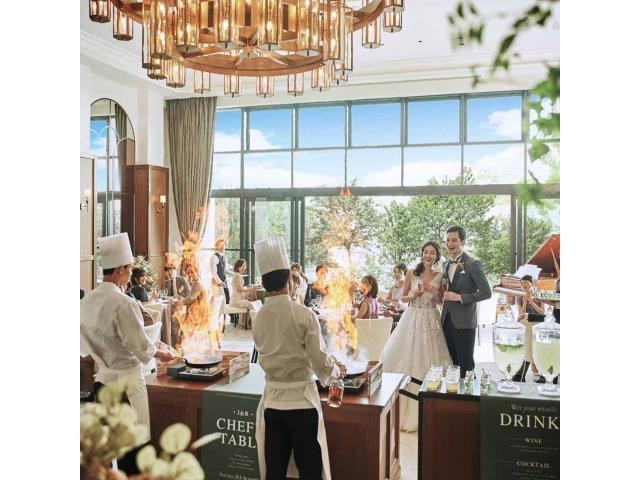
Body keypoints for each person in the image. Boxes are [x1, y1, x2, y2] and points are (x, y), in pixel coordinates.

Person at [252, 237, 346, 480]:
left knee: (275, 470)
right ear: (289, 280)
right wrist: (335, 371)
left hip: (272, 402)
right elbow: (318, 358)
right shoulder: (304, 315)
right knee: (309, 470)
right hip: (302, 402)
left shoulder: (258, 317)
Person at [80, 233, 174, 474]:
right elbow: (141, 348)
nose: (131, 273)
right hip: (127, 387)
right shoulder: (123, 303)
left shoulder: (86, 301)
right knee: (132, 454)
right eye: (130, 269)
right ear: (121, 269)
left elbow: (83, 348)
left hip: (102, 384)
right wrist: (162, 353)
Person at [380, 241, 452, 432]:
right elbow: (402, 298)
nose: (428, 255)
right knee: (405, 357)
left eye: (432, 253)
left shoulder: (440, 275)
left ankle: (431, 411)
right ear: (422, 254)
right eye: (426, 252)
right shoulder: (412, 272)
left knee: (431, 359)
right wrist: (415, 294)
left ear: (437, 256)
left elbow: (441, 300)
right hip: (411, 317)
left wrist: (434, 291)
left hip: (430, 319)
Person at [441, 226, 491, 378]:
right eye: (448, 240)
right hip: (446, 319)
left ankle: (470, 392)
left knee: (466, 364)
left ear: (462, 242)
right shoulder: (445, 264)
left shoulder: (473, 263)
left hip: (465, 321)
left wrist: (460, 297)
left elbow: (486, 292)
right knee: (453, 363)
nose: (450, 244)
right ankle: (455, 392)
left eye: (454, 240)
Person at [515, 275, 545, 382]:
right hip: (526, 325)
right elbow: (520, 314)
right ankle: (520, 375)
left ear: (532, 283)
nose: (524, 285)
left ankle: (539, 372)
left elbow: (543, 313)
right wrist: (525, 302)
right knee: (526, 348)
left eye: (526, 283)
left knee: (536, 349)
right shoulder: (519, 297)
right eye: (522, 283)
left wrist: (532, 302)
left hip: (537, 324)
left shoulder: (538, 295)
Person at [210, 239, 230, 306]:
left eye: (223, 245)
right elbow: (214, 273)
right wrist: (220, 282)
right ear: (217, 246)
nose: (222, 247)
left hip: (224, 282)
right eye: (220, 245)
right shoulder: (214, 257)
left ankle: (228, 313)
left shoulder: (224, 257)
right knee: (220, 303)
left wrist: (235, 273)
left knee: (227, 300)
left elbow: (226, 270)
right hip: (217, 284)